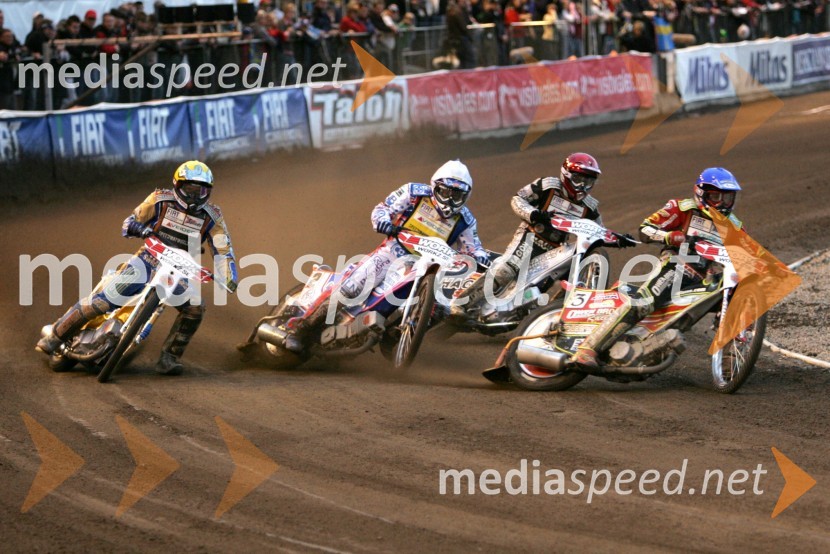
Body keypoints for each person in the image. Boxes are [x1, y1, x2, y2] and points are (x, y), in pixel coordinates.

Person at [36, 161, 239, 375]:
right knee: (104, 300)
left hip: (178, 271)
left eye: (201, 190)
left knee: (195, 308)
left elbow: (223, 249)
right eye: (189, 189)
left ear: (209, 191)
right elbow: (129, 222)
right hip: (147, 260)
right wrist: (140, 229)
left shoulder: (212, 217)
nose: (194, 196)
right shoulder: (160, 199)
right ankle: (54, 337)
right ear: (177, 186)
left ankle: (169, 358)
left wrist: (229, 276)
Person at [283, 160, 489, 352]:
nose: (450, 200)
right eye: (445, 192)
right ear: (435, 186)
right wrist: (382, 221)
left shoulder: (466, 220)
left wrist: (480, 258)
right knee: (352, 288)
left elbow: (473, 248)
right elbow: (383, 208)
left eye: (457, 195)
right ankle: (301, 329)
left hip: (424, 268)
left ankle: (397, 336)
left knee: (441, 306)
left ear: (466, 196)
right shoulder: (414, 192)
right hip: (393, 253)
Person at [572, 167, 744, 369]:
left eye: (728, 198)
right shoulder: (683, 208)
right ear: (702, 193)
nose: (723, 204)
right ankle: (588, 348)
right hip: (678, 266)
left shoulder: (735, 225)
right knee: (643, 302)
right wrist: (668, 237)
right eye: (717, 197)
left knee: (741, 295)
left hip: (708, 279)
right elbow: (645, 228)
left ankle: (731, 360)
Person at [450, 153, 633, 319]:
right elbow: (518, 198)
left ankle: (556, 315)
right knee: (507, 270)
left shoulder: (590, 207)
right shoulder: (548, 185)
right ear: (566, 174)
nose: (582, 186)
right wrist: (533, 214)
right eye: (578, 179)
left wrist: (618, 239)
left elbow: (598, 231)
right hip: (530, 238)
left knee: (539, 289)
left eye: (588, 181)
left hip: (556, 250)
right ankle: (463, 305)